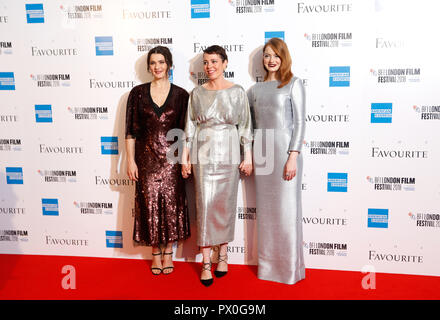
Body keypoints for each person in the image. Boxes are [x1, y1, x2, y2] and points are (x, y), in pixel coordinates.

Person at [181, 45, 253, 286]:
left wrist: (249, 156)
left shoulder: (238, 92)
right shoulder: (197, 94)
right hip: (203, 154)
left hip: (230, 153)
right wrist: (185, 157)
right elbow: (190, 127)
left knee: (225, 205)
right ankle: (205, 263)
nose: (209, 66)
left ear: (225, 63)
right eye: (205, 62)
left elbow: (245, 127)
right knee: (205, 206)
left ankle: (222, 255)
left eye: (214, 61)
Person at [125, 46, 190, 276]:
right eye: (153, 63)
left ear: (169, 65)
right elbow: (131, 130)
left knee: (171, 206)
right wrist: (130, 161)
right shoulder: (137, 93)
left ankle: (168, 254)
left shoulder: (182, 95)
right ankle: (155, 254)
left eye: (161, 62)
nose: (157, 67)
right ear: (148, 67)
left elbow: (185, 131)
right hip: (145, 159)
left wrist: (184, 160)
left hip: (172, 159)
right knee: (150, 205)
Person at [247, 38, 306, 285]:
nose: (271, 60)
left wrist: (293, 156)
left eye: (275, 55)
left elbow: (300, 123)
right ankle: (268, 268)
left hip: (285, 154)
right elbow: (250, 127)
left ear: (284, 58)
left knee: (286, 212)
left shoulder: (293, 84)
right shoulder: (253, 91)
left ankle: (290, 270)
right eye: (267, 55)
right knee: (268, 214)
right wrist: (249, 156)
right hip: (262, 155)